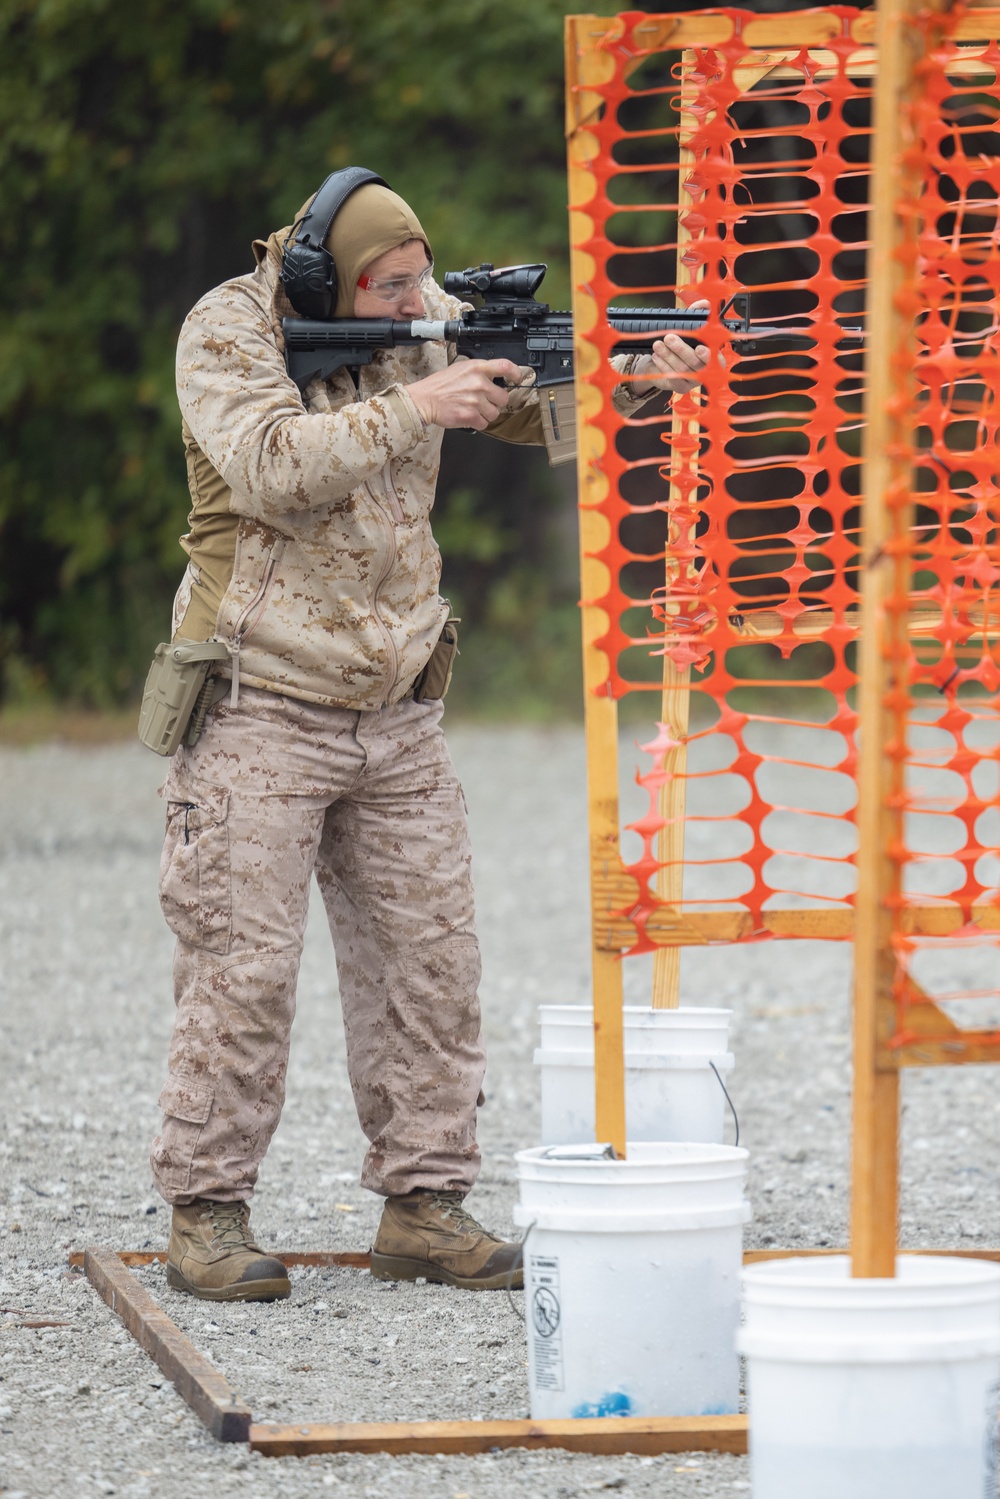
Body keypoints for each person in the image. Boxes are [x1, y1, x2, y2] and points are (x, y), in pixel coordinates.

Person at [150, 170, 707, 1303]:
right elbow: (266, 467)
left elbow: (531, 413)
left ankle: (424, 1202)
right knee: (239, 971)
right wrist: (420, 402)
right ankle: (207, 1212)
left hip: (396, 701)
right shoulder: (227, 328)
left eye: (422, 279)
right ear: (326, 278)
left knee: (431, 966)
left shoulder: (425, 325)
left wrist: (634, 390)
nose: (419, 304)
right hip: (260, 697)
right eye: (393, 285)